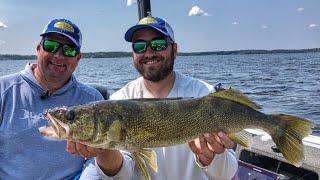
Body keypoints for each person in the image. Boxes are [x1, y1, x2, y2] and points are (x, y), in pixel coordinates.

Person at [107, 16, 238, 179]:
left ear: (174, 50)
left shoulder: (203, 94)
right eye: (139, 46)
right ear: (133, 54)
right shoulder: (119, 100)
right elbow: (122, 174)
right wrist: (104, 155)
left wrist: (209, 158)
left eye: (158, 44)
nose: (148, 52)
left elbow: (227, 174)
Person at [0, 18, 124, 179]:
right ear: (38, 49)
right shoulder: (4, 91)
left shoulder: (92, 98)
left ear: (78, 58)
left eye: (69, 50)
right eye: (51, 46)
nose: (59, 55)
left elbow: (95, 161)